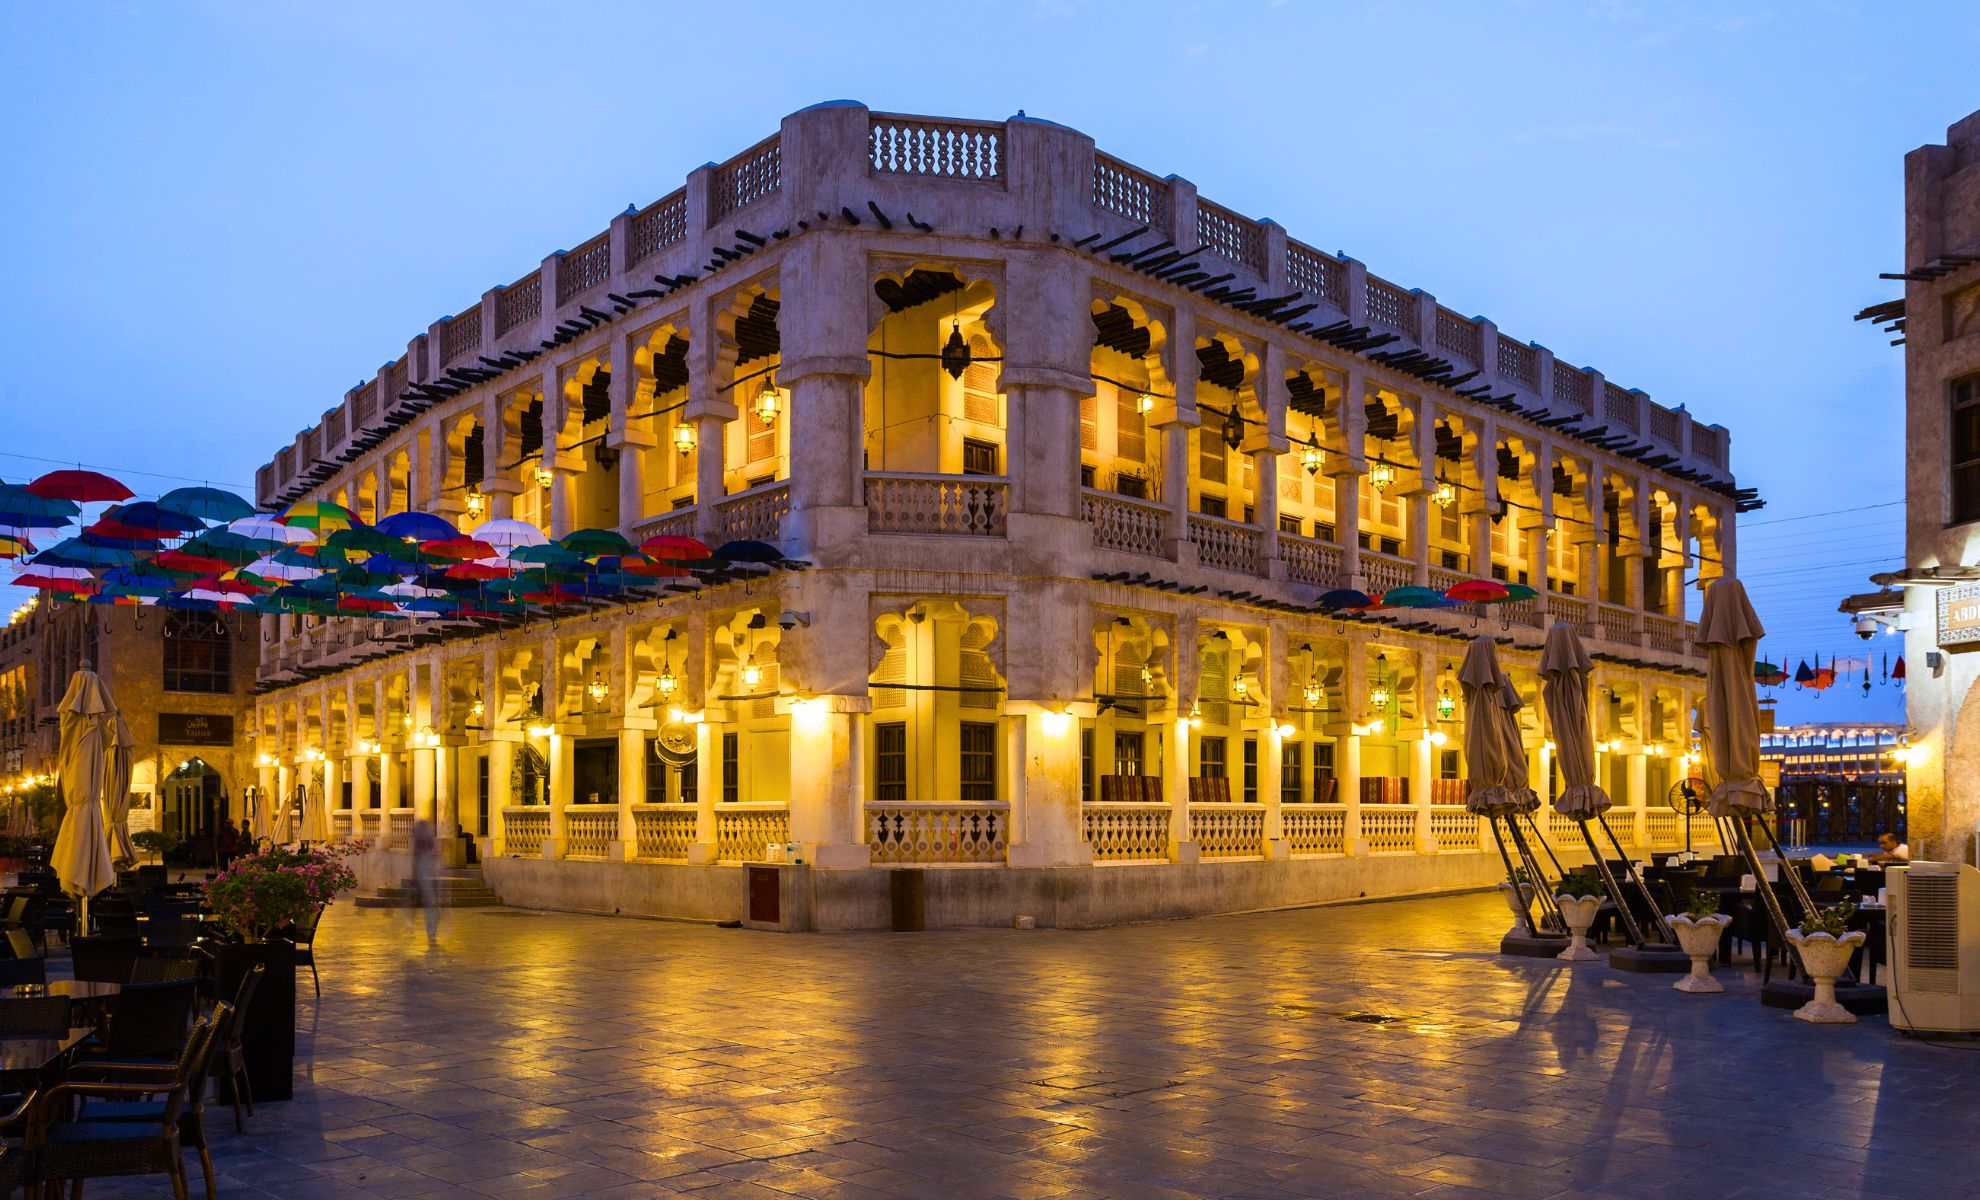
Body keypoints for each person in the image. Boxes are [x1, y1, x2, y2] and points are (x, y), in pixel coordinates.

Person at [410, 818, 440, 947]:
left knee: (431, 905)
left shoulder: (426, 845)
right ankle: (430, 932)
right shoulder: (421, 848)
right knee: (430, 904)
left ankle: (431, 931)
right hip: (425, 873)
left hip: (428, 872)